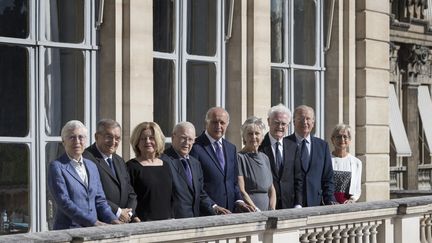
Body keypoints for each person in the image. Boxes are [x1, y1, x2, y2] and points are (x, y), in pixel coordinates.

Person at [47, 120, 121, 229]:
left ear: (86, 141)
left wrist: (113, 220)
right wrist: (93, 222)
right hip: (69, 232)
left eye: (81, 137)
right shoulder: (57, 167)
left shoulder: (92, 166)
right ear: (63, 142)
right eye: (72, 137)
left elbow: (100, 200)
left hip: (93, 231)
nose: (77, 141)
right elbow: (64, 203)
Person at [190, 107, 254, 214]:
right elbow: (195, 185)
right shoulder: (196, 147)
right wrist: (213, 206)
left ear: (227, 124)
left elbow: (233, 182)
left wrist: (239, 201)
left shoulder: (231, 148)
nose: (218, 126)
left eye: (222, 123)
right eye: (214, 122)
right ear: (206, 123)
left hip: (230, 212)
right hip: (206, 213)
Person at [163, 121, 228, 218]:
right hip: (174, 222)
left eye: (190, 139)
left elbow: (200, 193)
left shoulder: (195, 163)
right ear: (173, 137)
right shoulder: (163, 161)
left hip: (194, 220)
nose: (186, 143)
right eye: (183, 138)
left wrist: (214, 207)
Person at [83, 119, 139, 223]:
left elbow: (130, 192)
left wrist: (129, 214)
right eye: (108, 137)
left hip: (124, 221)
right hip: (101, 222)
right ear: (96, 137)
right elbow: (92, 193)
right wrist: (118, 212)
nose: (113, 142)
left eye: (117, 138)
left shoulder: (119, 160)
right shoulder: (86, 159)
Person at [285, 105, 336, 207]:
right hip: (290, 204)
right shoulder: (285, 144)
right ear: (294, 122)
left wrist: (330, 200)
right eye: (301, 118)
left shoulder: (322, 146)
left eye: (308, 119)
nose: (305, 122)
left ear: (313, 122)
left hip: (316, 203)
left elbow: (328, 178)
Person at [259, 104, 303, 209]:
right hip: (266, 205)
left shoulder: (293, 146)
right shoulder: (259, 146)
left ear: (288, 126)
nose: (280, 127)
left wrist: (298, 203)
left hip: (289, 205)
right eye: (276, 123)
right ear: (269, 121)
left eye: (283, 124)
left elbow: (298, 178)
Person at [126, 122, 173, 221]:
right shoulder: (131, 167)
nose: (147, 141)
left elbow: (171, 196)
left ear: (158, 140)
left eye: (151, 138)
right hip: (143, 224)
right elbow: (128, 197)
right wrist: (133, 216)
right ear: (137, 142)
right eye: (143, 139)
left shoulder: (166, 165)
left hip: (167, 223)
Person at [237, 117, 276, 211]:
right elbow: (241, 190)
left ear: (262, 137)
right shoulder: (239, 157)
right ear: (244, 137)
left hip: (268, 212)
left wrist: (272, 209)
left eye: (257, 133)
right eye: (250, 134)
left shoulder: (265, 158)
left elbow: (271, 189)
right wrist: (255, 209)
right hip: (249, 212)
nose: (254, 137)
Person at [330, 124, 362, 204]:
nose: (342, 139)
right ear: (332, 139)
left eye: (345, 136)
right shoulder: (326, 160)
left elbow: (357, 187)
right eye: (338, 137)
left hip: (347, 206)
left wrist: (352, 199)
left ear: (350, 140)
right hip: (329, 205)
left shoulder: (356, 163)